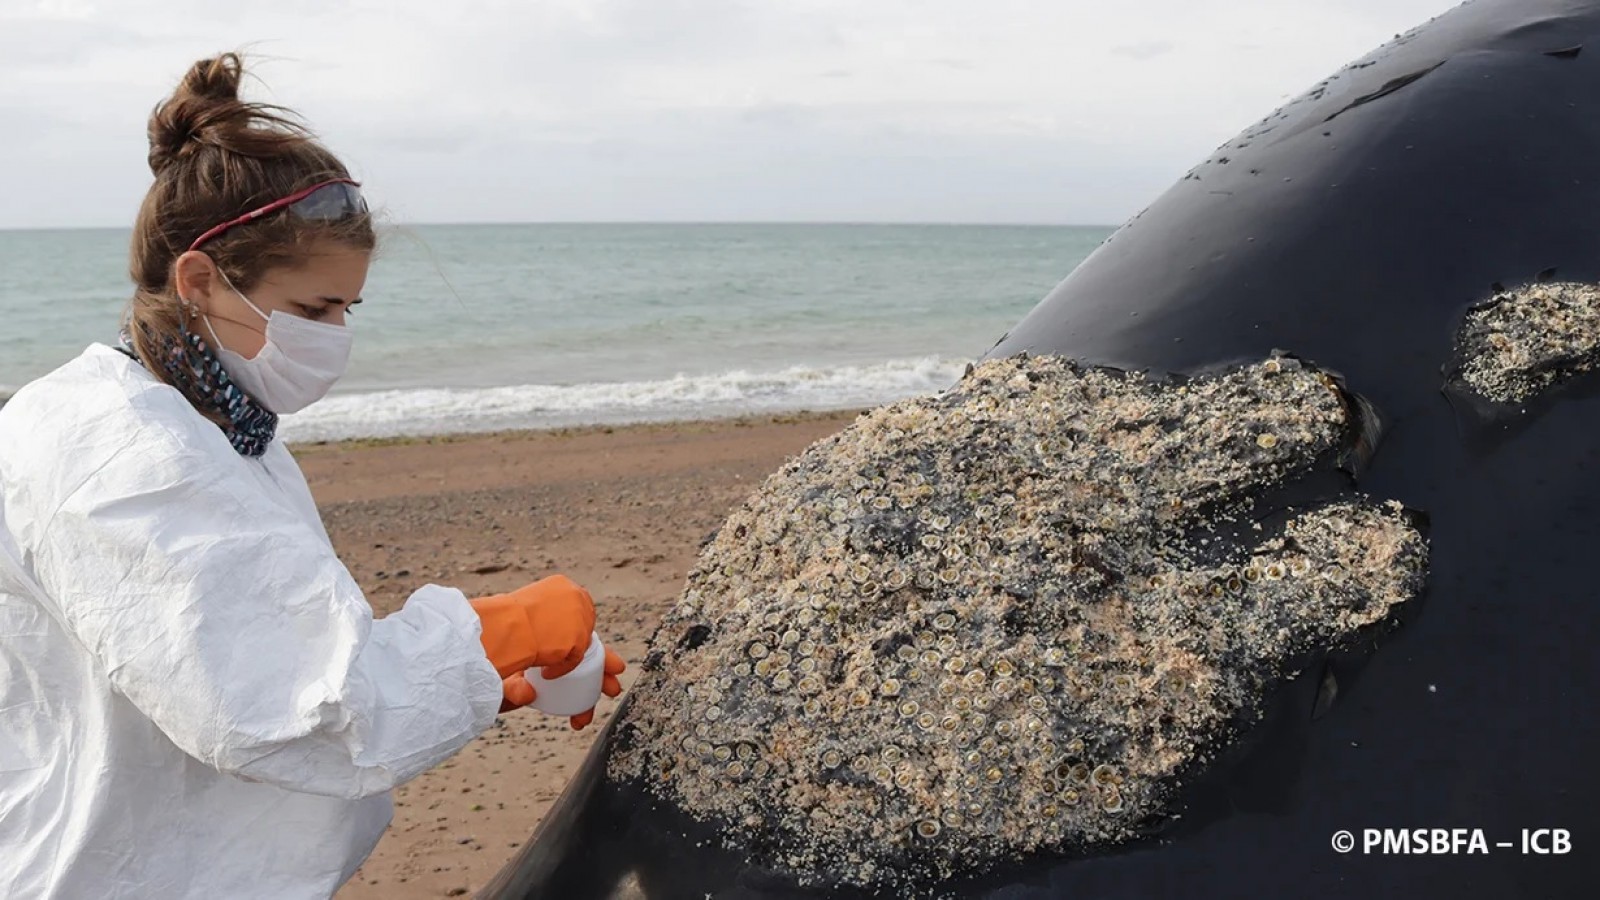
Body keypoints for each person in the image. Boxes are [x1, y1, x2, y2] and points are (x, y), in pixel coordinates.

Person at [0, 54, 626, 899]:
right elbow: (294, 710)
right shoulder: (123, 458)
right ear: (198, 279)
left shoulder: (212, 423)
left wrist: (486, 687)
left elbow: (225, 649)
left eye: (347, 310)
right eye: (312, 310)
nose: (335, 336)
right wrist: (497, 633)